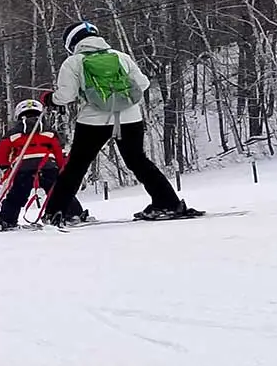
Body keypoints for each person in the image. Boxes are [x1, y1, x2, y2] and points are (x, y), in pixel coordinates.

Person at [38, 21, 201, 226]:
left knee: (76, 167)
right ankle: (168, 202)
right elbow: (143, 83)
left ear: (72, 43)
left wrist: (50, 99)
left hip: (93, 121)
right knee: (138, 162)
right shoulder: (120, 56)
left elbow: (66, 96)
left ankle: (57, 212)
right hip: (130, 117)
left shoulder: (74, 62)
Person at [0, 99, 87, 231]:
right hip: (48, 166)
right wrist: (62, 167)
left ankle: (7, 221)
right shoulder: (50, 132)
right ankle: (73, 214)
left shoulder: (12, 133)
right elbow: (59, 151)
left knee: (16, 196)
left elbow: (1, 151)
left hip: (23, 167)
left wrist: (5, 166)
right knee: (60, 191)